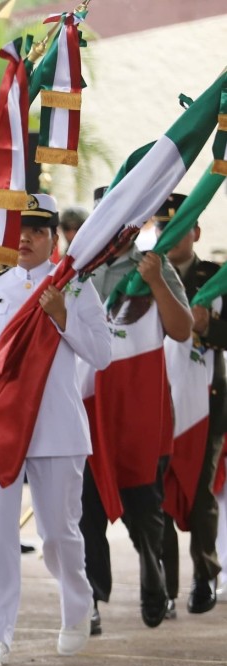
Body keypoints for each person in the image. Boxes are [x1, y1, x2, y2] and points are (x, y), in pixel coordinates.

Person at [0, 194, 110, 666]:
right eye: (18, 229)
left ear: (54, 237)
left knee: (58, 534)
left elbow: (102, 355)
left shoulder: (75, 287)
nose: (24, 238)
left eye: (37, 230)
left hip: (56, 427)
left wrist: (63, 315)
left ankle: (77, 606)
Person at [80, 186, 192, 634]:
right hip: (89, 409)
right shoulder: (78, 270)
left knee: (144, 508)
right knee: (86, 510)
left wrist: (156, 283)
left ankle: (155, 582)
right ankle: (90, 596)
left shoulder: (154, 265)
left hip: (140, 412)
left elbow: (182, 330)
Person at [156, 193, 224, 615]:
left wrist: (210, 324)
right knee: (158, 495)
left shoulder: (216, 278)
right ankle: (164, 586)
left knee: (200, 496)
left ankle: (205, 576)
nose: (170, 235)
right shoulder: (146, 277)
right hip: (158, 401)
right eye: (163, 228)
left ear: (196, 232)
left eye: (179, 228)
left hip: (205, 402)